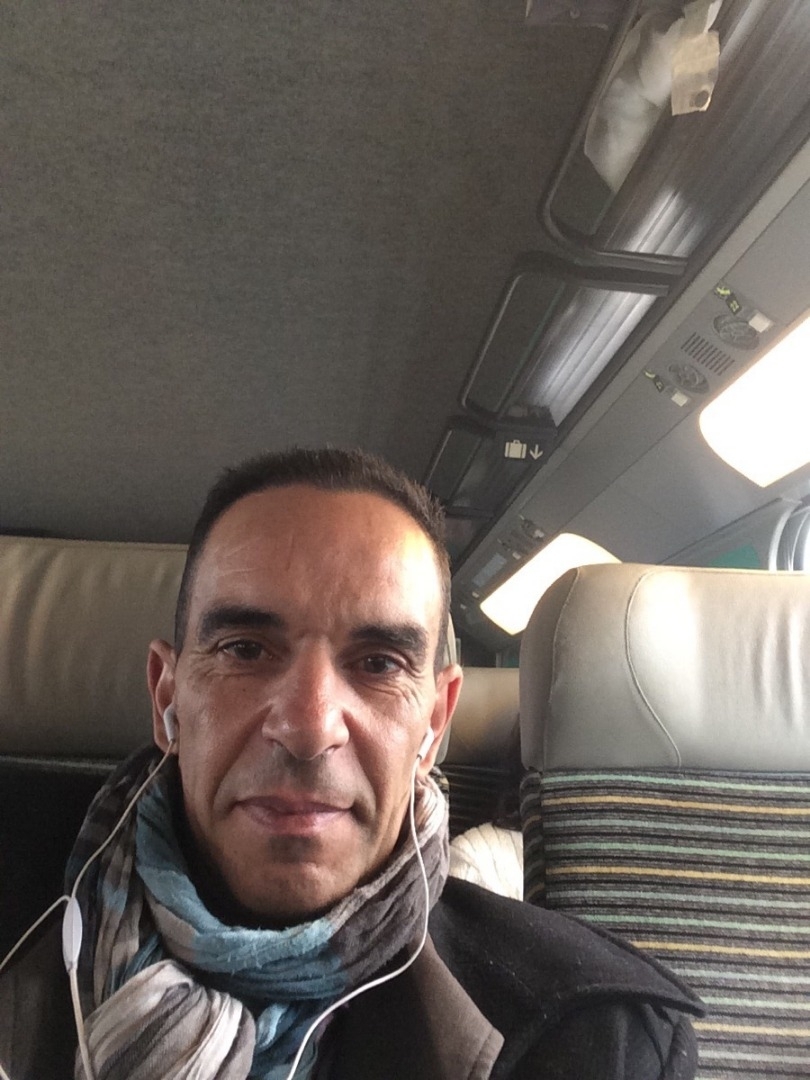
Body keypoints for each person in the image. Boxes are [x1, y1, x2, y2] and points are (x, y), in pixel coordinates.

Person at [0, 447, 702, 1079]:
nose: (309, 729)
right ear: (166, 700)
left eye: (379, 663)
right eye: (245, 650)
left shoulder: (599, 1040)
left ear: (434, 724)